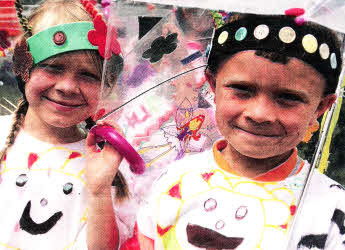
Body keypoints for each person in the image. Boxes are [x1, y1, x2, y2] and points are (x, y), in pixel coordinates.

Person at [137, 12, 345, 249]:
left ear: (321, 107)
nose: (259, 114)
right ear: (213, 85)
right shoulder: (173, 181)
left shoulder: (333, 212)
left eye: (288, 98)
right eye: (242, 90)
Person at [0, 0, 129, 249]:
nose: (67, 87)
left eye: (88, 75)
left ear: (106, 84)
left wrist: (100, 190)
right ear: (23, 68)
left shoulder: (106, 162)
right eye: (52, 67)